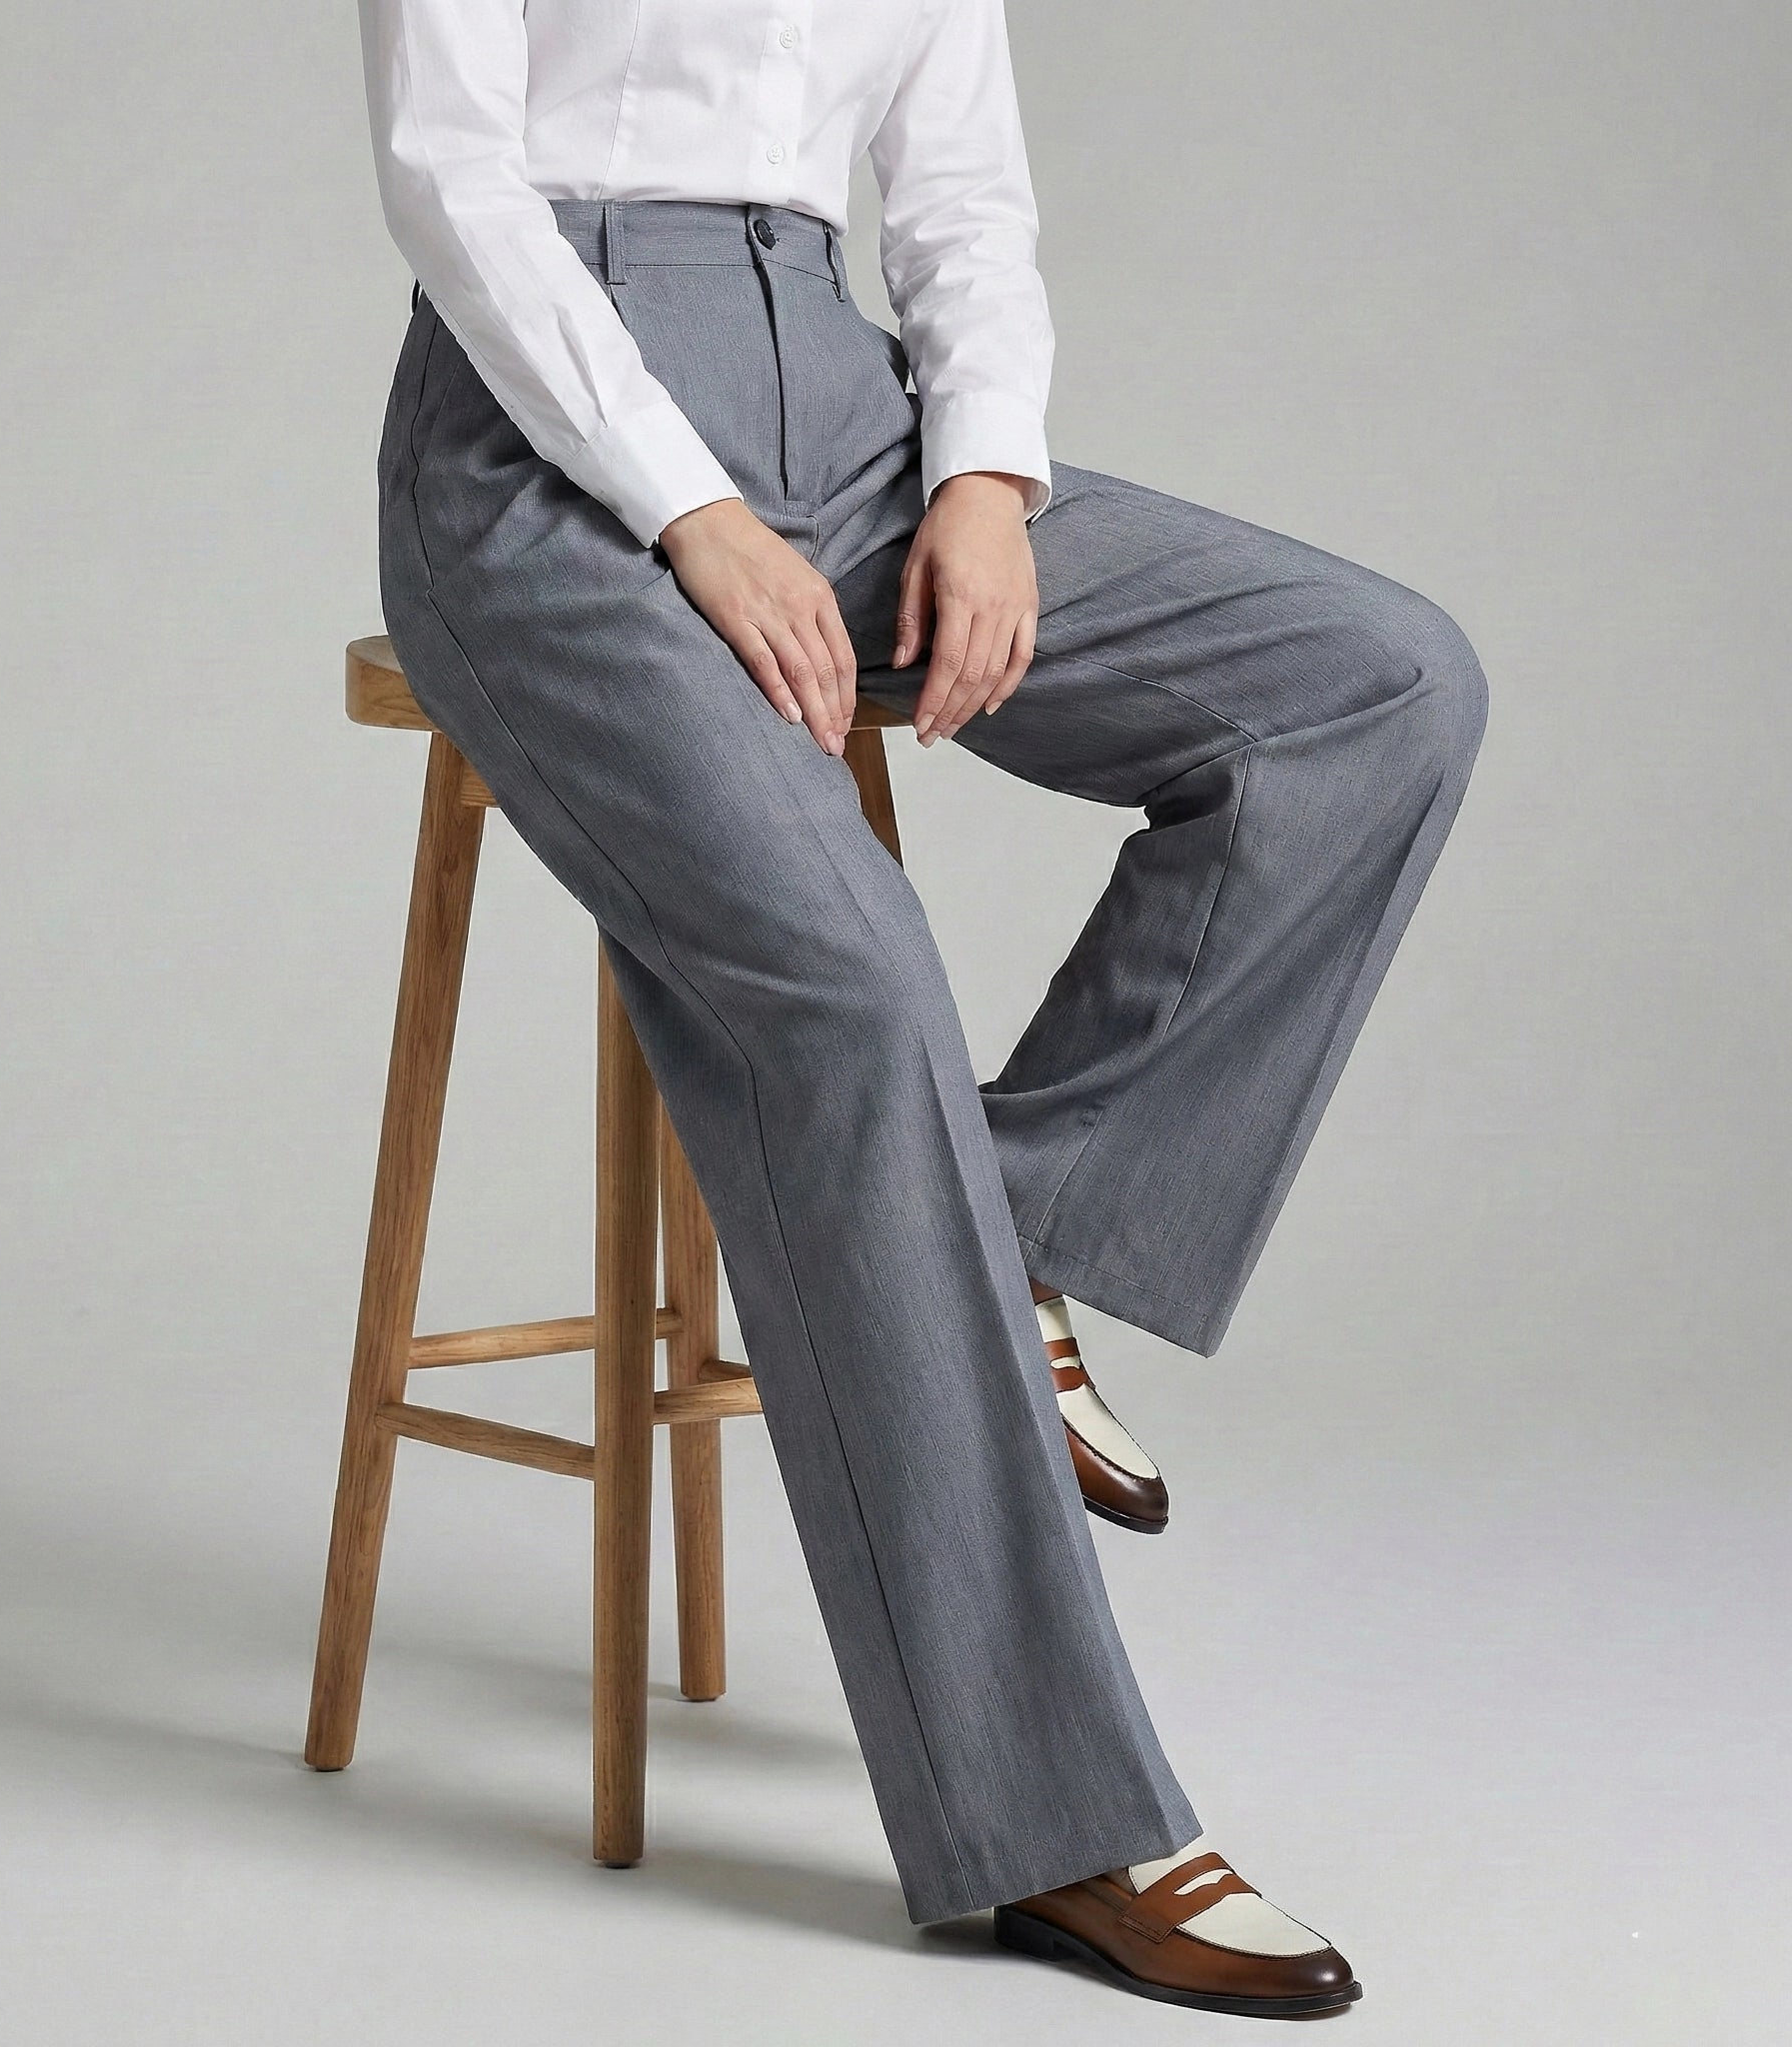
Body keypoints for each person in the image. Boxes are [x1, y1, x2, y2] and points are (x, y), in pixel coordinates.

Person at [353, 0, 1485, 2019]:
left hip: (850, 429)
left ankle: (1013, 1234)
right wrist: (690, 510)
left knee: (1376, 687)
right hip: (545, 460)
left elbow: (961, 205)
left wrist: (979, 474)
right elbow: (451, 174)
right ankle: (1052, 1823)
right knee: (859, 990)